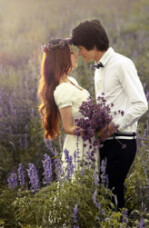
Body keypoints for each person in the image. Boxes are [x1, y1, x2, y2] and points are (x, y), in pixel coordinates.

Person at [71, 19, 148, 209]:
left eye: (80, 48)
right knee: (106, 195)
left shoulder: (122, 64)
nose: (79, 53)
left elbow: (141, 104)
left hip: (122, 141)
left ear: (92, 45)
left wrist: (113, 126)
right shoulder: (98, 69)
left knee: (113, 194)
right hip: (105, 140)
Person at [38, 38, 98, 179]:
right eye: (71, 53)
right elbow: (68, 128)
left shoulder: (72, 81)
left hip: (88, 144)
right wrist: (93, 130)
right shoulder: (63, 90)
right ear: (61, 58)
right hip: (78, 148)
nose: (76, 55)